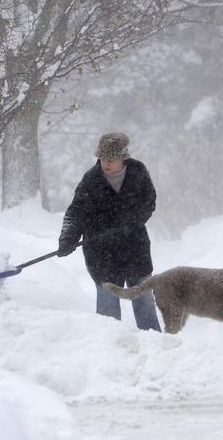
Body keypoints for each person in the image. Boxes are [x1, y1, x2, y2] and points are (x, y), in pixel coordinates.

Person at [58, 132, 162, 331]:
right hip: (101, 251)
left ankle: (153, 341)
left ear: (123, 158)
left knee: (142, 296)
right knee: (107, 304)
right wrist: (67, 239)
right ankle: (109, 344)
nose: (106, 163)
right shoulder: (91, 180)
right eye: (103, 158)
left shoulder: (138, 172)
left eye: (112, 159)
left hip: (135, 247)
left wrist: (131, 221)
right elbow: (76, 212)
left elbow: (149, 201)